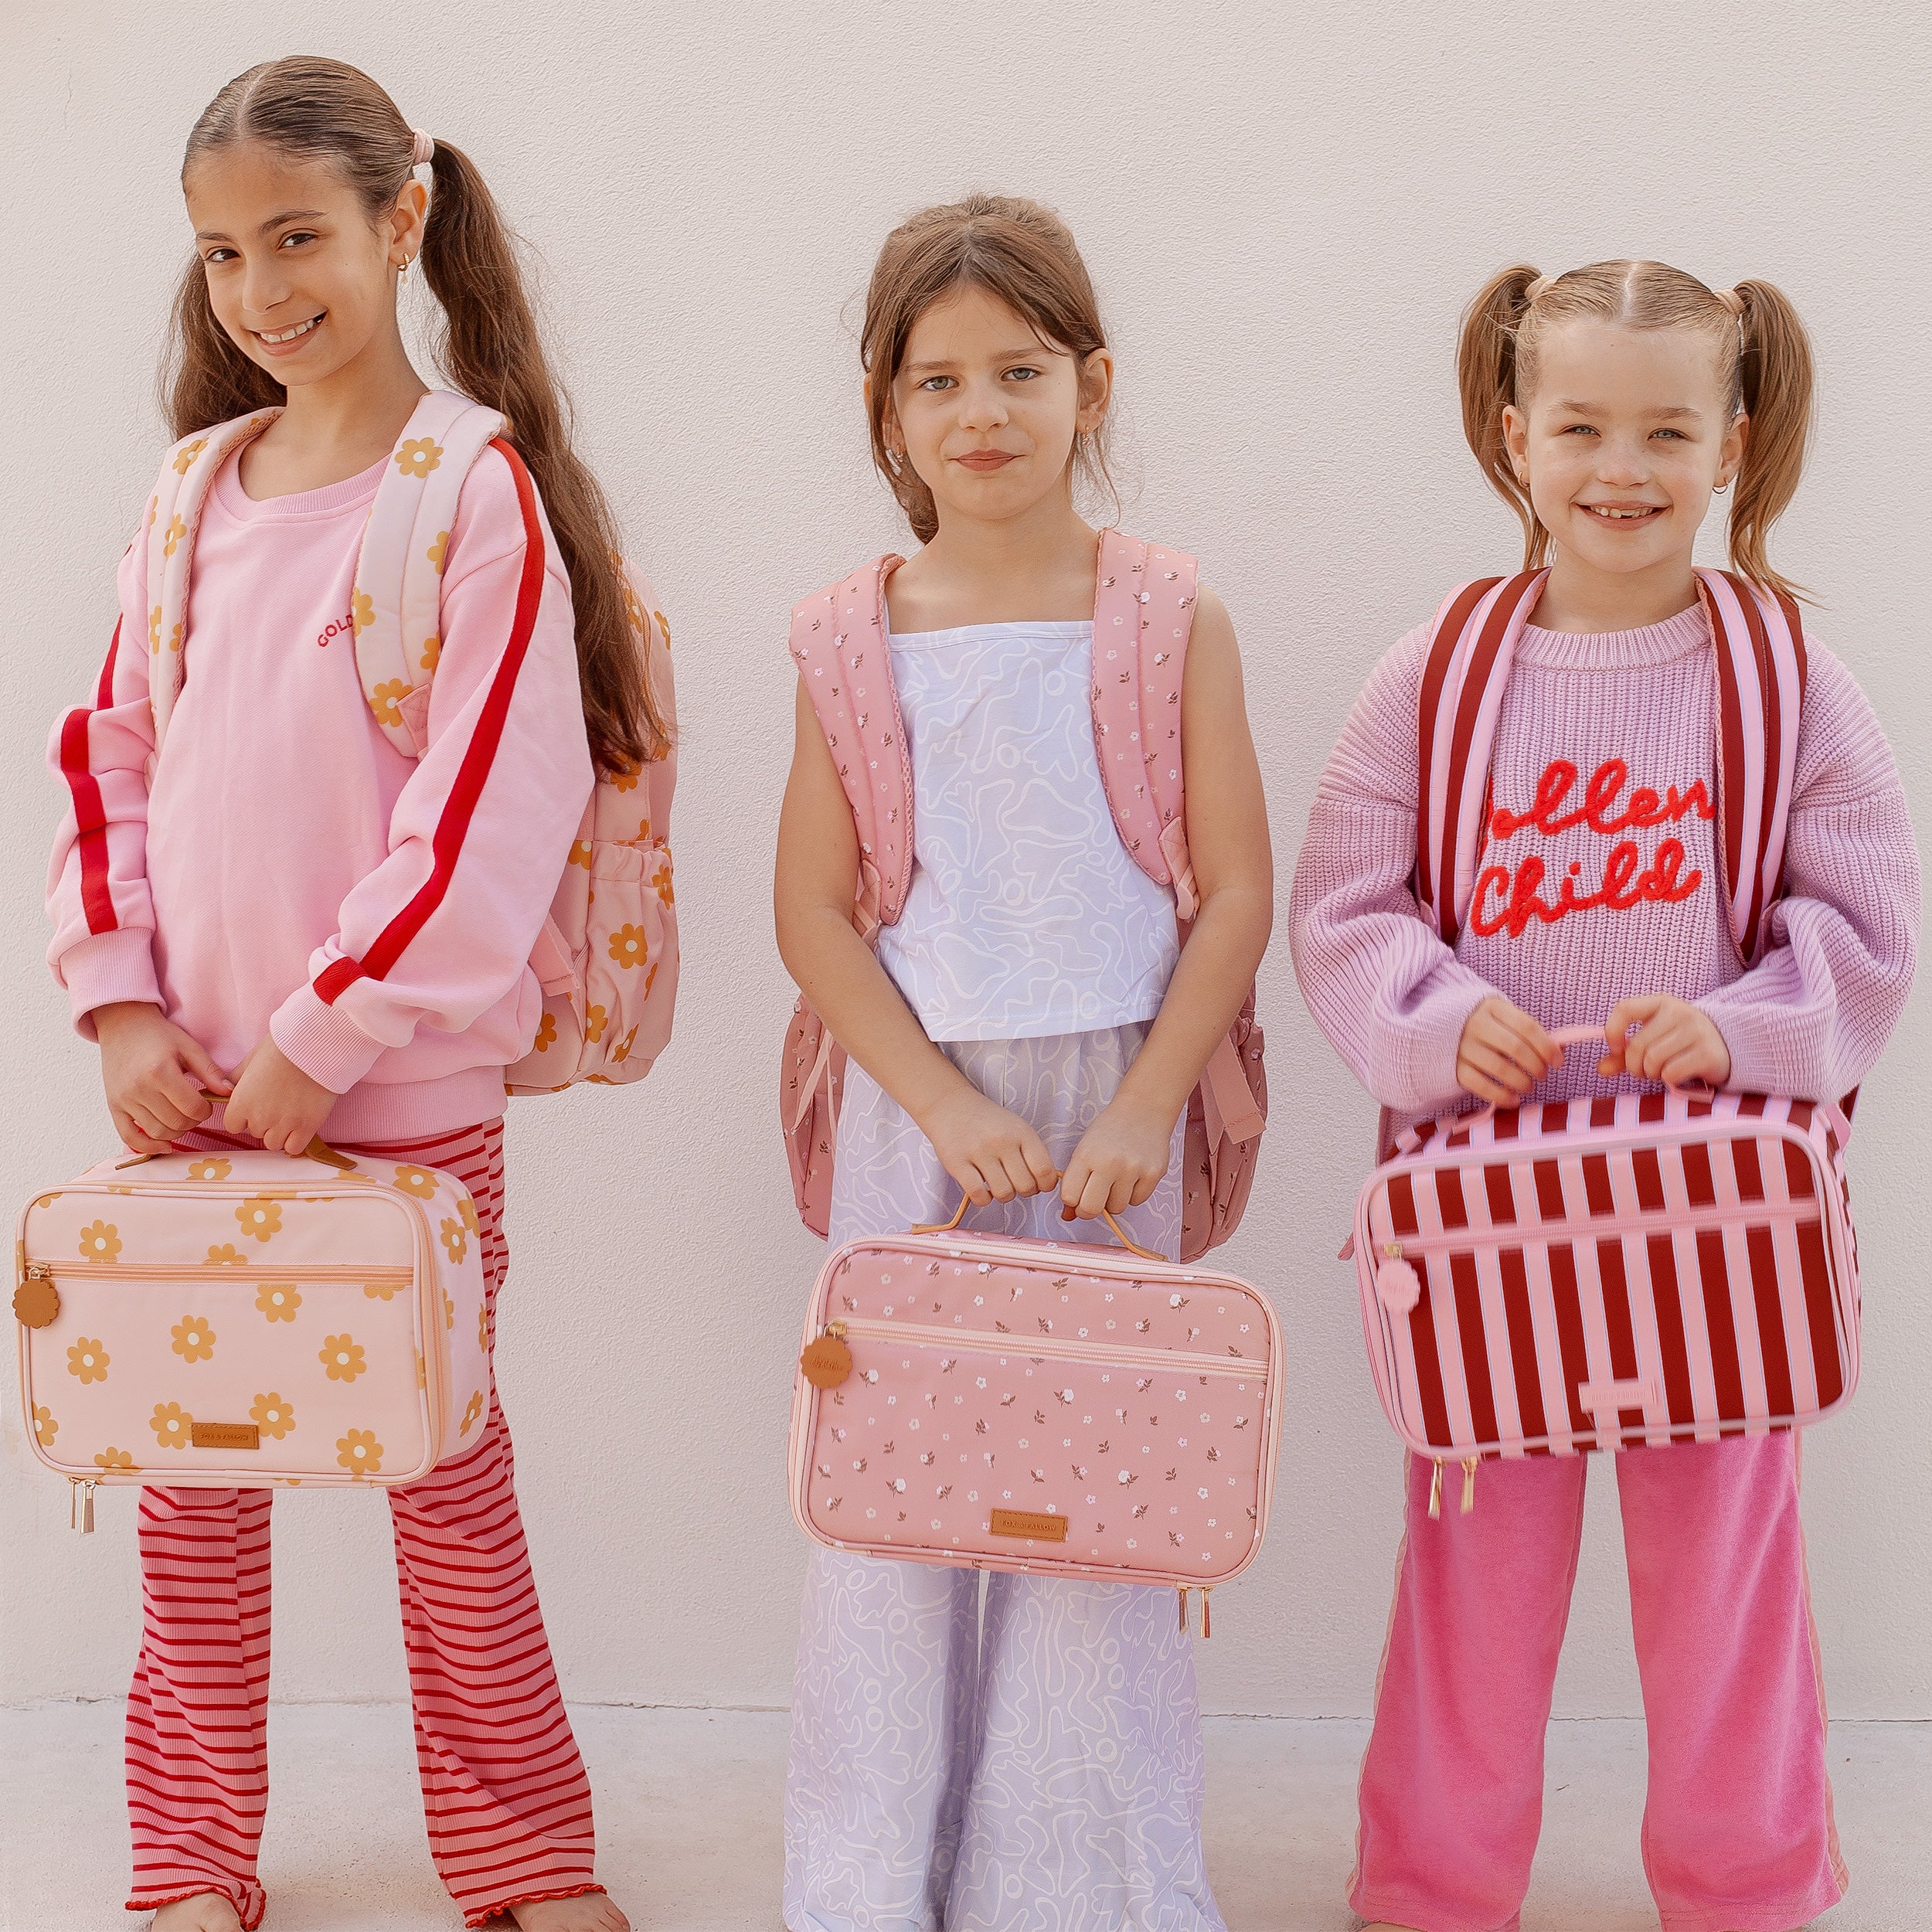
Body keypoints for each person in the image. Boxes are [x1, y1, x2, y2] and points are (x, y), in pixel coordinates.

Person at [43, 55, 666, 1932]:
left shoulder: (469, 492)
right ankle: (185, 1856)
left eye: (297, 236)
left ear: (402, 222)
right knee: (190, 1506)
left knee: (447, 1488)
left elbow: (487, 807)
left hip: (395, 1107)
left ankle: (522, 1853)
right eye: (224, 251)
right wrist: (125, 1008)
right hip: (186, 1107)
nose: (258, 288)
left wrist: (324, 1038)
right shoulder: (187, 494)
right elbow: (108, 759)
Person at [1289, 260, 1918, 1932]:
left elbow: (1863, 922)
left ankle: (1746, 1884)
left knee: (1723, 1580)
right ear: (1511, 435)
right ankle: (1428, 1886)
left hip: (1712, 1225)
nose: (1617, 466)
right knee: (1469, 1587)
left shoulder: (1783, 676)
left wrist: (1743, 1024)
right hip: (1490, 1227)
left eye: (1662, 427)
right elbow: (1344, 905)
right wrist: (1431, 1021)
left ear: (1731, 439)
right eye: (1576, 424)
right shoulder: (1436, 671)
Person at [773, 193, 1273, 1932]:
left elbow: (1229, 894)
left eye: (1019, 368)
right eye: (936, 381)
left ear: (1092, 383)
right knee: (890, 1513)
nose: (980, 410)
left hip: (1100, 1129)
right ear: (883, 409)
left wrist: (1141, 1102)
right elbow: (818, 915)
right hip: (925, 1131)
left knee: (1093, 1510)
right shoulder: (851, 637)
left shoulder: (1164, 616)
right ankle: (865, 1879)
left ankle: (1075, 1881)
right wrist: (934, 1101)